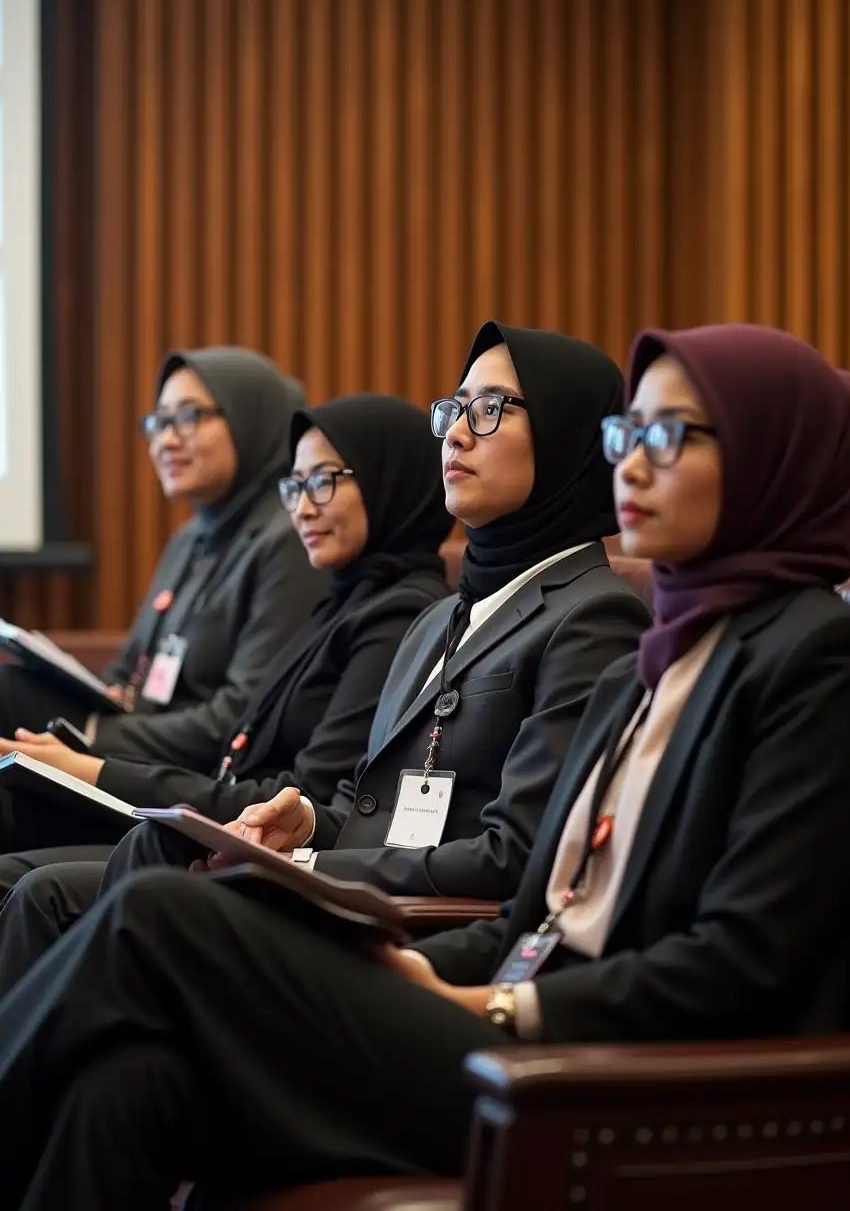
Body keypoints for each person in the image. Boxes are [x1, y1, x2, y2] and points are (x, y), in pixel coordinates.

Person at [0, 323, 850, 1208]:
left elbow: (740, 968)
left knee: (164, 911)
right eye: (628, 433)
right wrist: (422, 966)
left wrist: (489, 1004)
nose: (630, 463)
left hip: (611, 1080)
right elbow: (540, 909)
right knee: (131, 1080)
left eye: (668, 436)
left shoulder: (819, 660)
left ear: (769, 455)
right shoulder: (668, 654)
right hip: (507, 1008)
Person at [0, 321, 650, 993]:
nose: (455, 433)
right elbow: (368, 809)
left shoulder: (593, 614)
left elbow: (513, 857)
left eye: (489, 410)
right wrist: (307, 823)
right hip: (352, 892)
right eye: (454, 409)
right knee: (143, 860)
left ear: (569, 434)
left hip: (413, 932)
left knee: (107, 895)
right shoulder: (437, 620)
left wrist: (306, 865)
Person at [0, 394, 452, 925]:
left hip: (263, 853)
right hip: (212, 822)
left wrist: (94, 768)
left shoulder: (399, 616)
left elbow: (301, 798)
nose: (303, 507)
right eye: (296, 485)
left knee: (34, 889)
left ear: (388, 481)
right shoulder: (342, 600)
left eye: (324, 480)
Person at [0, 347, 323, 824]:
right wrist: (97, 707)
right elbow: (128, 672)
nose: (165, 441)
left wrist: (92, 735)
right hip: (138, 748)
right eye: (158, 422)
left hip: (189, 781)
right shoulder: (191, 537)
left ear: (253, 420)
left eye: (189, 418)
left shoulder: (290, 539)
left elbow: (238, 715)